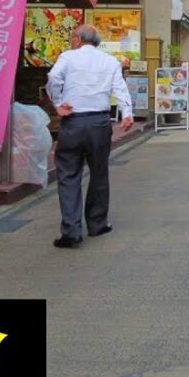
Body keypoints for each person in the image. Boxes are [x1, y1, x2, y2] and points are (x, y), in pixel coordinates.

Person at [46, 25, 134, 249]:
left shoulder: (67, 57)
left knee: (68, 174)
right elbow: (120, 88)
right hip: (99, 122)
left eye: (71, 36)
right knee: (99, 172)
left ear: (77, 39)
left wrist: (58, 104)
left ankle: (71, 230)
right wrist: (127, 113)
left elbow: (53, 78)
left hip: (73, 121)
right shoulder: (110, 61)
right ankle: (97, 224)